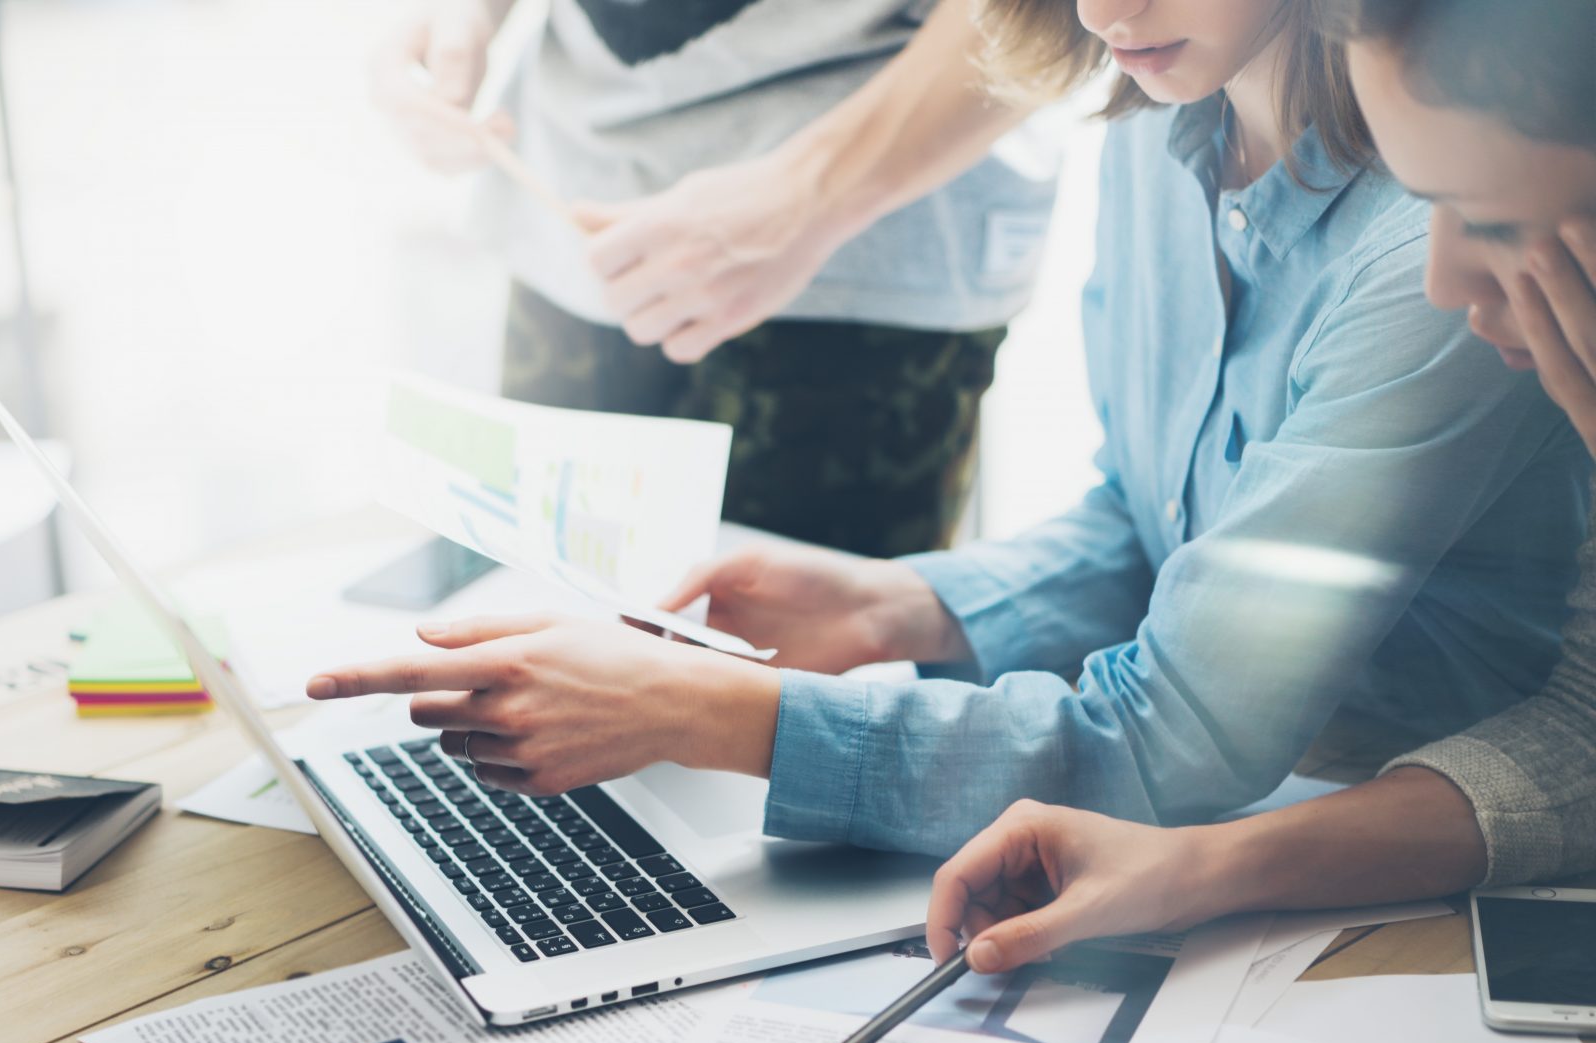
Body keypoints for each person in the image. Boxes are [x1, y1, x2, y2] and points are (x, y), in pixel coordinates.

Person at [315, 0, 1587, 869]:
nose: (1098, 7)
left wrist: (720, 717)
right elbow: (1158, 522)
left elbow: (1174, 741)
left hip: (1382, 836)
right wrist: (903, 608)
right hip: (1249, 818)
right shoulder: (1160, 114)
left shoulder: (1428, 245)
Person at [923, 0, 1596, 976]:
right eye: (1427, 200)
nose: (1441, 282)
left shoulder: (1403, 266)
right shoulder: (1158, 137)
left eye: (1489, 219)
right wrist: (1194, 868)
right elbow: (1583, 734)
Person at [369, 0, 1057, 557]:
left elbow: (1050, 15)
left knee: (789, 700)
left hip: (857, 279)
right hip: (570, 218)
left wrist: (808, 195)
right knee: (536, 646)